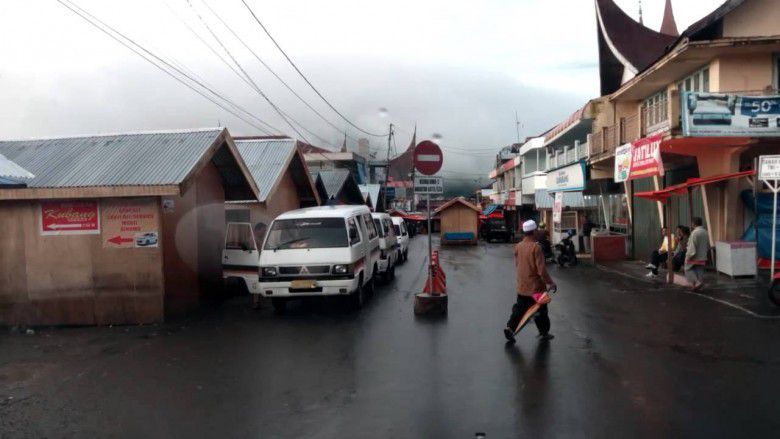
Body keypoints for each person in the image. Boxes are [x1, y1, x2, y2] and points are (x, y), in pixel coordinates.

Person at [504, 219, 556, 343]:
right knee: (541, 310)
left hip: (522, 286)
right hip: (536, 289)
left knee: (519, 309)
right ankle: (544, 332)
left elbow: (517, 264)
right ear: (534, 231)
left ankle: (510, 328)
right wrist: (551, 282)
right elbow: (541, 270)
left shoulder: (518, 246)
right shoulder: (536, 248)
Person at [685, 217, 710, 291]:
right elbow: (707, 244)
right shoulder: (705, 232)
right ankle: (696, 285)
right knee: (699, 271)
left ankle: (697, 283)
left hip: (695, 256)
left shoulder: (694, 233)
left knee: (688, 269)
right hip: (703, 256)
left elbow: (692, 246)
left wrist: (688, 256)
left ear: (694, 224)